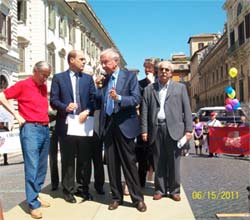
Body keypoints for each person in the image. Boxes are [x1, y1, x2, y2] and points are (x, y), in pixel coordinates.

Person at [95, 48, 146, 212]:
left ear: (115, 61)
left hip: (125, 126)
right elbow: (100, 101)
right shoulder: (105, 79)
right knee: (112, 164)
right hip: (109, 125)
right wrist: (97, 88)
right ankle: (116, 197)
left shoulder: (130, 77)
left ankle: (137, 199)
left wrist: (120, 98)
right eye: (102, 62)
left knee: (129, 164)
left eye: (105, 62)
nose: (103, 65)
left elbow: (136, 98)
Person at [0, 61, 52, 219]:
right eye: (43, 75)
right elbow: (2, 96)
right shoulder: (23, 85)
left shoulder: (43, 87)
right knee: (32, 166)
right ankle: (32, 204)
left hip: (44, 127)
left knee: (42, 166)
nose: (45, 79)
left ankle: (36, 194)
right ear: (35, 71)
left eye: (47, 76)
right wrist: (15, 115)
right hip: (30, 128)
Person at [141, 60, 193, 202]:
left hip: (175, 130)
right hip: (156, 128)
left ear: (171, 73)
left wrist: (189, 129)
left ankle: (174, 190)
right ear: (157, 72)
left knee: (174, 161)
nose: (163, 72)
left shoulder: (180, 88)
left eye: (167, 70)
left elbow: (187, 109)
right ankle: (160, 189)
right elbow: (144, 111)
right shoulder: (149, 89)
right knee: (158, 161)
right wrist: (144, 130)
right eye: (161, 69)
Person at [50, 50, 96, 203]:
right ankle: (68, 190)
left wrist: (88, 110)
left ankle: (83, 188)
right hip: (66, 125)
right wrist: (65, 107)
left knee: (84, 159)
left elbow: (93, 100)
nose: (84, 62)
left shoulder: (88, 79)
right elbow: (53, 100)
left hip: (84, 124)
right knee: (68, 159)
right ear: (71, 60)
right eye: (82, 59)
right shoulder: (58, 78)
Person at [75, 64, 105, 195]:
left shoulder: (98, 87)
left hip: (96, 126)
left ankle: (99, 185)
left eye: (88, 74)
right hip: (82, 127)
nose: (85, 76)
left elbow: (99, 99)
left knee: (97, 159)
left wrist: (98, 85)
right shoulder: (78, 86)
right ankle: (82, 185)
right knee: (82, 159)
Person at [135, 58, 158, 188]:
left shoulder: (160, 82)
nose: (147, 70)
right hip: (142, 124)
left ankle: (159, 182)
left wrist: (153, 84)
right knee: (142, 153)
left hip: (157, 124)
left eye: (149, 67)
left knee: (157, 153)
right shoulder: (140, 83)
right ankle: (140, 181)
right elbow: (137, 99)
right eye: (145, 67)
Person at [48, 108, 60, 191]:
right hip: (51, 131)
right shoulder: (46, 97)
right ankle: (54, 183)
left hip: (64, 129)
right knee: (52, 158)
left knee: (67, 159)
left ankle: (67, 183)